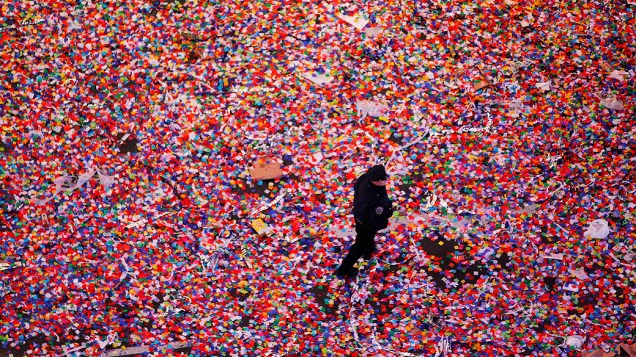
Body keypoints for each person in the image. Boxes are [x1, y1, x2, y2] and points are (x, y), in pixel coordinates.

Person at [336, 164, 393, 278]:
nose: (385, 181)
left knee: (366, 240)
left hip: (359, 216)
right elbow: (377, 218)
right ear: (377, 181)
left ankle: (368, 251)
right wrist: (388, 212)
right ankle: (343, 269)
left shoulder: (364, 178)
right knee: (359, 246)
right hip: (367, 224)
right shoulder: (377, 200)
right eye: (383, 179)